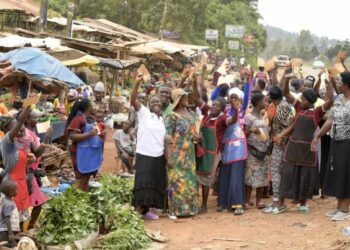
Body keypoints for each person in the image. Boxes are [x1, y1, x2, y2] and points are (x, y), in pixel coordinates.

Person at [273, 72, 334, 214]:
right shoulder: (299, 107)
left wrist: (329, 83)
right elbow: (286, 92)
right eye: (301, 98)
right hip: (293, 146)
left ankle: (303, 203)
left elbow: (330, 101)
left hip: (308, 148)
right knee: (287, 173)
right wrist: (287, 79)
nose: (301, 100)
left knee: (304, 176)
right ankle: (281, 203)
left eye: (304, 99)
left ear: (311, 101)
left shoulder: (318, 111)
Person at [311, 71, 350, 221]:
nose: (337, 85)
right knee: (337, 172)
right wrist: (317, 136)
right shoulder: (340, 99)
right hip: (336, 140)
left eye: (339, 83)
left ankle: (346, 208)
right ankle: (339, 206)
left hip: (348, 142)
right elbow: (330, 120)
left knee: (346, 173)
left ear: (346, 85)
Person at [131, 75, 167, 220]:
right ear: (148, 103)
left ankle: (146, 211)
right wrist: (137, 82)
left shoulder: (162, 119)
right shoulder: (144, 113)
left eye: (158, 102)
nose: (156, 104)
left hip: (158, 156)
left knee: (152, 184)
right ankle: (137, 211)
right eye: (153, 102)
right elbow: (133, 100)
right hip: (144, 155)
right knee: (142, 184)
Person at [165, 88, 201, 219]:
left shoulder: (191, 114)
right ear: (177, 100)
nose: (187, 99)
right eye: (183, 97)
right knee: (176, 181)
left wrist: (198, 137)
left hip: (189, 155)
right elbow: (168, 138)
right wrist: (168, 157)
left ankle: (190, 209)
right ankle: (175, 211)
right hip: (176, 155)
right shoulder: (171, 116)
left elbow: (194, 133)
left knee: (189, 182)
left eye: (187, 97)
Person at [218, 84, 250, 216]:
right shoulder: (224, 110)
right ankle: (224, 203)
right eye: (231, 97)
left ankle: (237, 204)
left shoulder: (241, 109)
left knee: (236, 175)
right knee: (225, 174)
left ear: (241, 99)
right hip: (227, 145)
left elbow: (247, 95)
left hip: (238, 147)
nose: (233, 100)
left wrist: (249, 80)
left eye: (236, 97)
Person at [263, 86, 294, 213]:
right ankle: (277, 200)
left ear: (272, 96)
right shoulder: (277, 105)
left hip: (282, 143)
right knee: (277, 172)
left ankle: (278, 202)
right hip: (278, 143)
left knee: (276, 172)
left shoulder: (284, 106)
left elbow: (292, 124)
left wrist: (280, 136)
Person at [0, 106, 31, 222]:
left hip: (21, 182)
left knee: (22, 217)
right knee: (12, 218)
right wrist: (29, 106)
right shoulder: (6, 142)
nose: (21, 128)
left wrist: (28, 162)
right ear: (8, 130)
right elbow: (21, 121)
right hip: (12, 183)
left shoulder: (18, 143)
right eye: (16, 127)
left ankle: (21, 238)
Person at [66, 99, 102, 192]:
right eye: (92, 105)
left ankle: (84, 199)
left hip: (88, 151)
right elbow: (72, 135)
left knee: (86, 176)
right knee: (80, 178)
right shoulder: (78, 119)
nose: (93, 107)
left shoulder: (90, 118)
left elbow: (96, 134)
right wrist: (90, 134)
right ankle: (74, 200)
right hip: (79, 152)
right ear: (88, 107)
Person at [24, 110, 52, 229]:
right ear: (27, 120)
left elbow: (37, 155)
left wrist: (48, 154)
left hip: (32, 170)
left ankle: (27, 226)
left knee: (29, 201)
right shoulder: (27, 134)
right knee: (39, 202)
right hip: (28, 171)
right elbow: (36, 152)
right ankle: (29, 227)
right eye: (35, 118)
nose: (38, 120)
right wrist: (46, 138)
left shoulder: (32, 132)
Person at [244, 93, 269, 209]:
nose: (266, 102)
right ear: (259, 103)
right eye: (264, 101)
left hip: (263, 151)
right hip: (252, 150)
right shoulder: (248, 117)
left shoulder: (263, 116)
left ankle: (259, 201)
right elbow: (244, 134)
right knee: (250, 176)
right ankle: (247, 200)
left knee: (262, 176)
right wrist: (252, 131)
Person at [0, 179, 19, 248]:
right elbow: (7, 219)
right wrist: (10, 233)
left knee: (11, 246)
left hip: (8, 230)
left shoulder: (8, 200)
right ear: (10, 192)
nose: (18, 191)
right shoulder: (8, 204)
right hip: (6, 231)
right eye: (16, 189)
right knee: (5, 246)